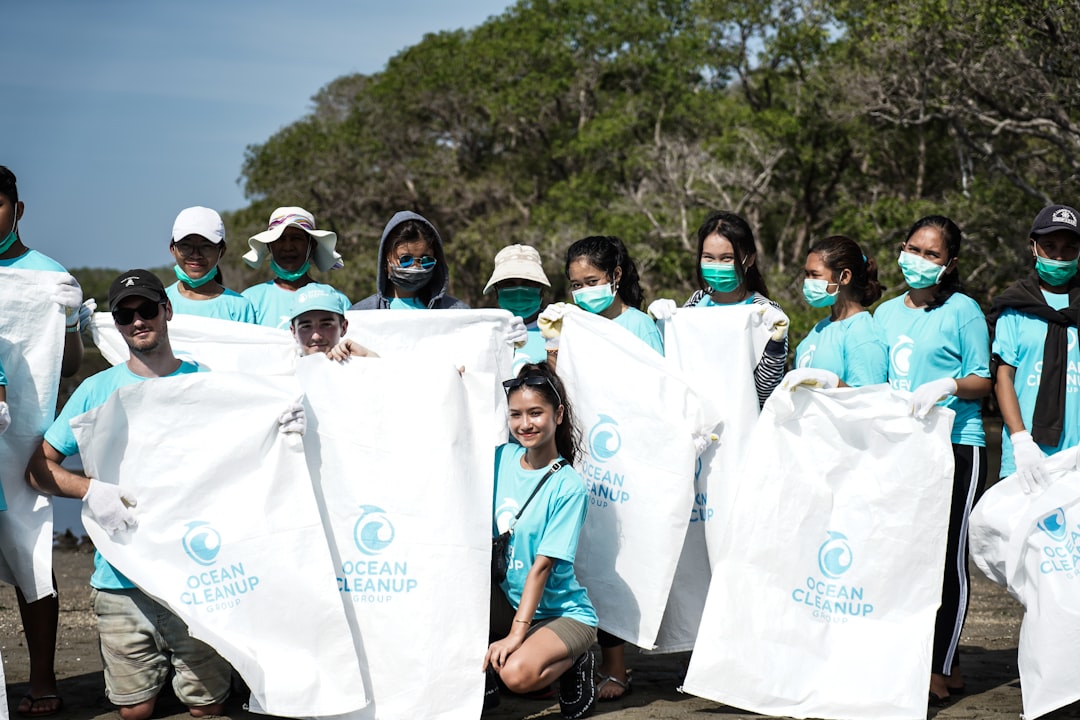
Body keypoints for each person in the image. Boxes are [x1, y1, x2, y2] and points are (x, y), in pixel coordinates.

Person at [25, 269, 304, 720]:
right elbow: (39, 469)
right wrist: (89, 490)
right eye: (125, 313)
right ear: (116, 323)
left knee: (207, 708)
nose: (137, 320)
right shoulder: (97, 391)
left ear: (167, 310)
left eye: (146, 309)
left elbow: (248, 450)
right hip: (120, 578)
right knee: (135, 712)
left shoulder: (205, 381)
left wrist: (288, 428)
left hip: (197, 573)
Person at [874, 216, 991, 704]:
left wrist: (949, 385)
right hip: (904, 450)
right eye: (913, 250)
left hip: (957, 444)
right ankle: (950, 665)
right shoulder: (882, 314)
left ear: (950, 264)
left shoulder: (962, 311)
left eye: (932, 255)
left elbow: (983, 380)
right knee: (907, 557)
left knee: (948, 559)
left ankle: (937, 666)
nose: (919, 261)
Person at [538, 234, 658, 700]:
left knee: (618, 559)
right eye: (575, 284)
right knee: (583, 559)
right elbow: (557, 387)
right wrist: (553, 344)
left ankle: (618, 665)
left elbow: (658, 394)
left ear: (616, 277)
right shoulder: (574, 326)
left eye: (592, 281)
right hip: (582, 458)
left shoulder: (642, 326)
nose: (583, 291)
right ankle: (578, 659)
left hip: (628, 460)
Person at [0, 164, 86, 717]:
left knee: (30, 550)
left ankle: (44, 677)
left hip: (24, 437)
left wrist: (72, 321)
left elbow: (71, 366)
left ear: (17, 209)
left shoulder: (46, 276)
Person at [485, 362, 598, 719]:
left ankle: (574, 661)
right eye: (516, 414)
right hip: (508, 600)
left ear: (558, 414)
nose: (524, 424)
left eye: (536, 413)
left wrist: (516, 635)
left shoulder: (569, 486)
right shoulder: (499, 458)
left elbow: (542, 567)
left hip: (561, 613)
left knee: (515, 675)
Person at [648, 211, 789, 407]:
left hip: (741, 427)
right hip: (697, 424)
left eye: (726, 258)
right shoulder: (697, 301)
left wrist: (776, 344)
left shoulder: (765, 312)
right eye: (708, 257)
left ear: (749, 259)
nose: (716, 266)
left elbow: (766, 393)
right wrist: (658, 326)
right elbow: (674, 365)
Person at [989, 204, 1080, 494]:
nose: (1058, 255)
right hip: (1026, 458)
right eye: (1049, 245)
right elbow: (1004, 377)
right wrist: (1020, 439)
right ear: (1033, 247)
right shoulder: (1015, 307)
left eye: (1069, 247)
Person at [780, 235, 888, 391]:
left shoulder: (863, 333)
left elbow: (868, 402)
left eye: (815, 275)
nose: (808, 282)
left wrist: (832, 383)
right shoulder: (819, 329)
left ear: (844, 277)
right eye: (806, 274)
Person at [242, 206, 350, 328]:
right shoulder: (249, 301)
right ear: (269, 246)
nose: (288, 247)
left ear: (312, 245)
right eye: (280, 239)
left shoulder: (337, 300)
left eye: (296, 238)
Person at [352, 211, 469, 310]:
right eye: (406, 259)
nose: (415, 267)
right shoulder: (362, 314)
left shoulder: (455, 312)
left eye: (426, 260)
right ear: (386, 258)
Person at [164, 206, 255, 322]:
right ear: (173, 249)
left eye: (206, 246)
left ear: (222, 251)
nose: (196, 255)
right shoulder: (158, 302)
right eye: (186, 246)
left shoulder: (239, 307)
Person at [485, 244, 551, 371]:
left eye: (528, 283)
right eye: (509, 283)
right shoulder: (486, 331)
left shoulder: (557, 330)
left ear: (541, 289)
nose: (519, 292)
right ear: (496, 290)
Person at [287, 284, 377, 360]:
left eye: (326, 325)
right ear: (293, 331)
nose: (316, 336)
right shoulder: (280, 374)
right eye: (306, 326)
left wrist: (368, 358)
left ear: (344, 327)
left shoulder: (359, 367)